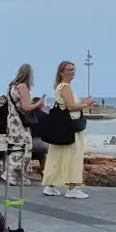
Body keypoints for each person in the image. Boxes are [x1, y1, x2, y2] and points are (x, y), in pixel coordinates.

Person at [41, 60, 88, 198]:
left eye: (73, 69)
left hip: (62, 127)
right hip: (70, 127)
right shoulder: (65, 87)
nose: (72, 72)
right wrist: (86, 104)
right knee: (73, 155)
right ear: (62, 72)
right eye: (69, 70)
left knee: (57, 155)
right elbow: (71, 106)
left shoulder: (60, 87)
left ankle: (50, 185)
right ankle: (72, 187)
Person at [3, 63, 42, 198]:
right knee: (25, 148)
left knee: (14, 148)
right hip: (20, 123)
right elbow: (26, 107)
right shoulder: (23, 87)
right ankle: (18, 176)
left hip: (11, 122)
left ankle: (10, 174)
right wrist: (38, 104)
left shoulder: (11, 87)